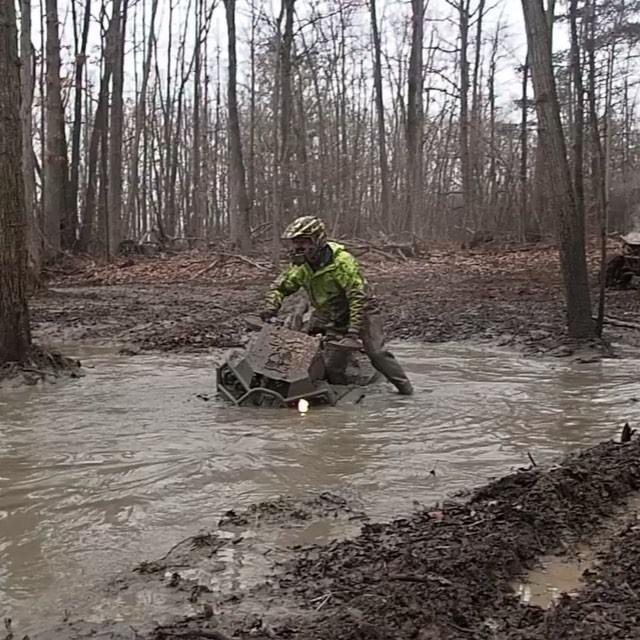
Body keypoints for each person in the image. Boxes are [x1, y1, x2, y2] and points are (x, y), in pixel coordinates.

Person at [260, 215, 414, 395]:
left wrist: (353, 333)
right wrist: (271, 308)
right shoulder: (301, 267)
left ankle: (406, 391)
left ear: (317, 241)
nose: (298, 247)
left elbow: (358, 298)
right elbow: (279, 287)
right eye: (295, 243)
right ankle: (341, 400)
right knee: (332, 366)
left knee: (377, 353)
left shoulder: (342, 262)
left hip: (361, 311)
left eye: (303, 242)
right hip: (330, 315)